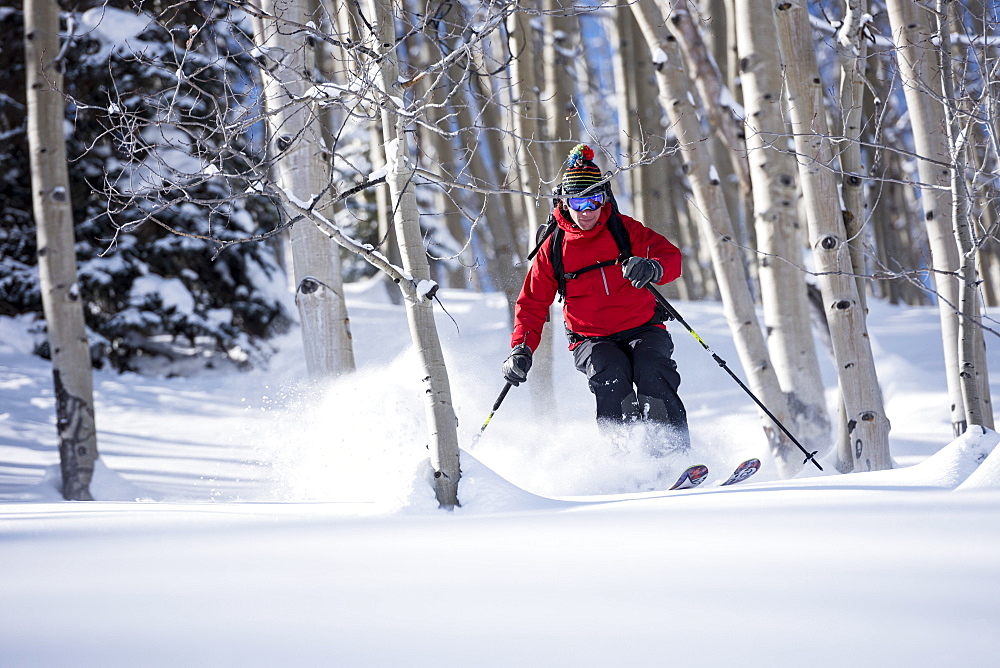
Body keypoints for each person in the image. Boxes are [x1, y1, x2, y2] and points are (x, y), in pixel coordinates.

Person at [502, 144, 690, 452]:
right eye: (578, 201)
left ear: (604, 198)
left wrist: (653, 267)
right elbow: (532, 303)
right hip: (590, 339)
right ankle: (625, 461)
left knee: (654, 371)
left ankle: (673, 453)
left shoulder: (624, 230)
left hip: (642, 327)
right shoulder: (553, 249)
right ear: (564, 202)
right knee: (610, 375)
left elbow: (671, 257)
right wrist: (521, 348)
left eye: (594, 199)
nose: (587, 210)